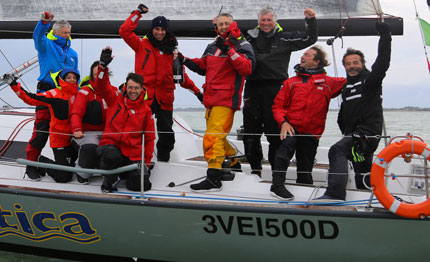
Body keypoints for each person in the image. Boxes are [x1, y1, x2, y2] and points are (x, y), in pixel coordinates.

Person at [316, 22, 391, 202]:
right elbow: (344, 114)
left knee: (337, 150)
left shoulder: (370, 81)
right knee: (362, 173)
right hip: (355, 137)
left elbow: (383, 62)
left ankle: (335, 193)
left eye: (355, 62)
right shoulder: (346, 87)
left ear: (362, 63)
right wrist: (345, 130)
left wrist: (385, 34)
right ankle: (367, 201)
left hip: (366, 136)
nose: (352, 66)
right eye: (348, 64)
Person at [181, 13, 255, 192]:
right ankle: (234, 161)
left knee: (212, 137)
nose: (223, 26)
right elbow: (202, 66)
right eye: (220, 24)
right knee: (216, 137)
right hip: (211, 99)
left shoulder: (242, 44)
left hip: (226, 100)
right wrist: (184, 60)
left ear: (232, 24)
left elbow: (247, 68)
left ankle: (214, 178)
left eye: (226, 23)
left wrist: (229, 50)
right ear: (217, 26)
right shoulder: (212, 45)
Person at [119, 4, 203, 162]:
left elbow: (182, 77)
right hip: (144, 98)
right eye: (156, 29)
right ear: (152, 30)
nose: (159, 32)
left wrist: (198, 93)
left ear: (167, 31)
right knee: (137, 131)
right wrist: (137, 14)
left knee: (167, 136)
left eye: (162, 30)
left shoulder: (173, 51)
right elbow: (124, 31)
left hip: (165, 98)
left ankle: (164, 162)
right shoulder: (141, 45)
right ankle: (135, 161)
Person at [242, 7, 318, 176]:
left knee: (275, 134)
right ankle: (255, 170)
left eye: (269, 20)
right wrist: (219, 25)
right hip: (252, 88)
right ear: (258, 22)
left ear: (275, 22)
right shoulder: (247, 39)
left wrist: (311, 21)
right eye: (263, 20)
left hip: (276, 89)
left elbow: (310, 38)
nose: (266, 23)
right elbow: (229, 41)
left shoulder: (284, 37)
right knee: (250, 134)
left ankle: (276, 174)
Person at [270, 46, 346, 200]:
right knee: (284, 151)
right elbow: (277, 106)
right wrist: (283, 122)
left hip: (311, 132)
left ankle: (305, 191)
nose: (302, 57)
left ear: (317, 61)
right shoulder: (291, 82)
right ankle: (277, 186)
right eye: (303, 54)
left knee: (306, 165)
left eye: (307, 55)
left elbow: (352, 80)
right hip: (291, 126)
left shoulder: (328, 82)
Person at [94, 48, 156, 193]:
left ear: (141, 89)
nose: (133, 91)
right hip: (111, 147)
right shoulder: (114, 99)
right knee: (111, 156)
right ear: (125, 87)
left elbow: (149, 138)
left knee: (142, 186)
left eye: (136, 88)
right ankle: (109, 179)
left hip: (132, 153)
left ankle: (124, 175)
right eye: (130, 87)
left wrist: (146, 163)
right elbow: (101, 86)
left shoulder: (146, 110)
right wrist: (103, 66)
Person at [26, 12, 78, 180]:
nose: (68, 35)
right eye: (65, 32)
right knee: (41, 131)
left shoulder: (73, 54)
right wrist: (43, 22)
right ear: (55, 32)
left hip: (65, 97)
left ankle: (64, 165)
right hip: (47, 93)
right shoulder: (46, 45)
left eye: (69, 32)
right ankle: (31, 165)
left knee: (66, 132)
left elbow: (74, 76)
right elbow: (37, 36)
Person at [4, 68, 80, 183]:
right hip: (60, 141)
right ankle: (40, 160)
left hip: (75, 140)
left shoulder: (80, 95)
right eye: (68, 77)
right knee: (64, 177)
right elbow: (30, 98)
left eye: (74, 77)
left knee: (76, 166)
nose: (72, 80)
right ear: (62, 79)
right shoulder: (54, 94)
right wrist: (14, 84)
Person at [70, 61, 108, 184]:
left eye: (101, 74)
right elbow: (76, 113)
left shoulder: (112, 92)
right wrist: (76, 129)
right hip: (87, 133)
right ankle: (82, 173)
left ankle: (108, 172)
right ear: (92, 76)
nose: (99, 77)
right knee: (91, 147)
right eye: (96, 74)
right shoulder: (84, 93)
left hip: (108, 133)